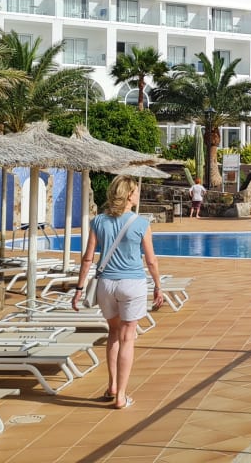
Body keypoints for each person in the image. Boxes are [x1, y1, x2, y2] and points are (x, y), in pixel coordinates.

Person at [72, 175, 166, 409]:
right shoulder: (141, 223)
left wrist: (79, 289)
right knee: (127, 337)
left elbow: (87, 258)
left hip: (106, 284)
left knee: (113, 332)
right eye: (135, 191)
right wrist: (158, 285)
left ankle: (112, 385)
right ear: (128, 195)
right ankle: (121, 396)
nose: (138, 194)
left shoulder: (98, 221)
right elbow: (151, 261)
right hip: (132, 284)